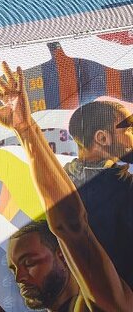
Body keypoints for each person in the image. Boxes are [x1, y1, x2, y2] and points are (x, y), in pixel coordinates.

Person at [0, 63, 133, 312]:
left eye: (29, 262)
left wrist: (26, 130)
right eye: (15, 268)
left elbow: (70, 226)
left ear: (64, 255)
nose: (20, 276)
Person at [63, 99, 133, 289]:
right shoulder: (122, 186)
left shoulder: (61, 182)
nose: (131, 136)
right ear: (102, 138)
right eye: (127, 130)